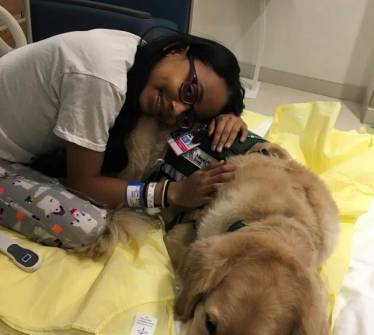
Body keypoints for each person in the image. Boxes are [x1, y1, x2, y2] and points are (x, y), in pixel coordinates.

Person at [0, 28, 247, 248]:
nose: (178, 110)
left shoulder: (143, 61)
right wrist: (170, 193)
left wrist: (228, 118)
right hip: (5, 157)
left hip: (23, 144)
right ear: (177, 50)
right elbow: (83, 185)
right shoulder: (103, 79)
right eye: (189, 91)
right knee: (88, 225)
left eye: (190, 115)